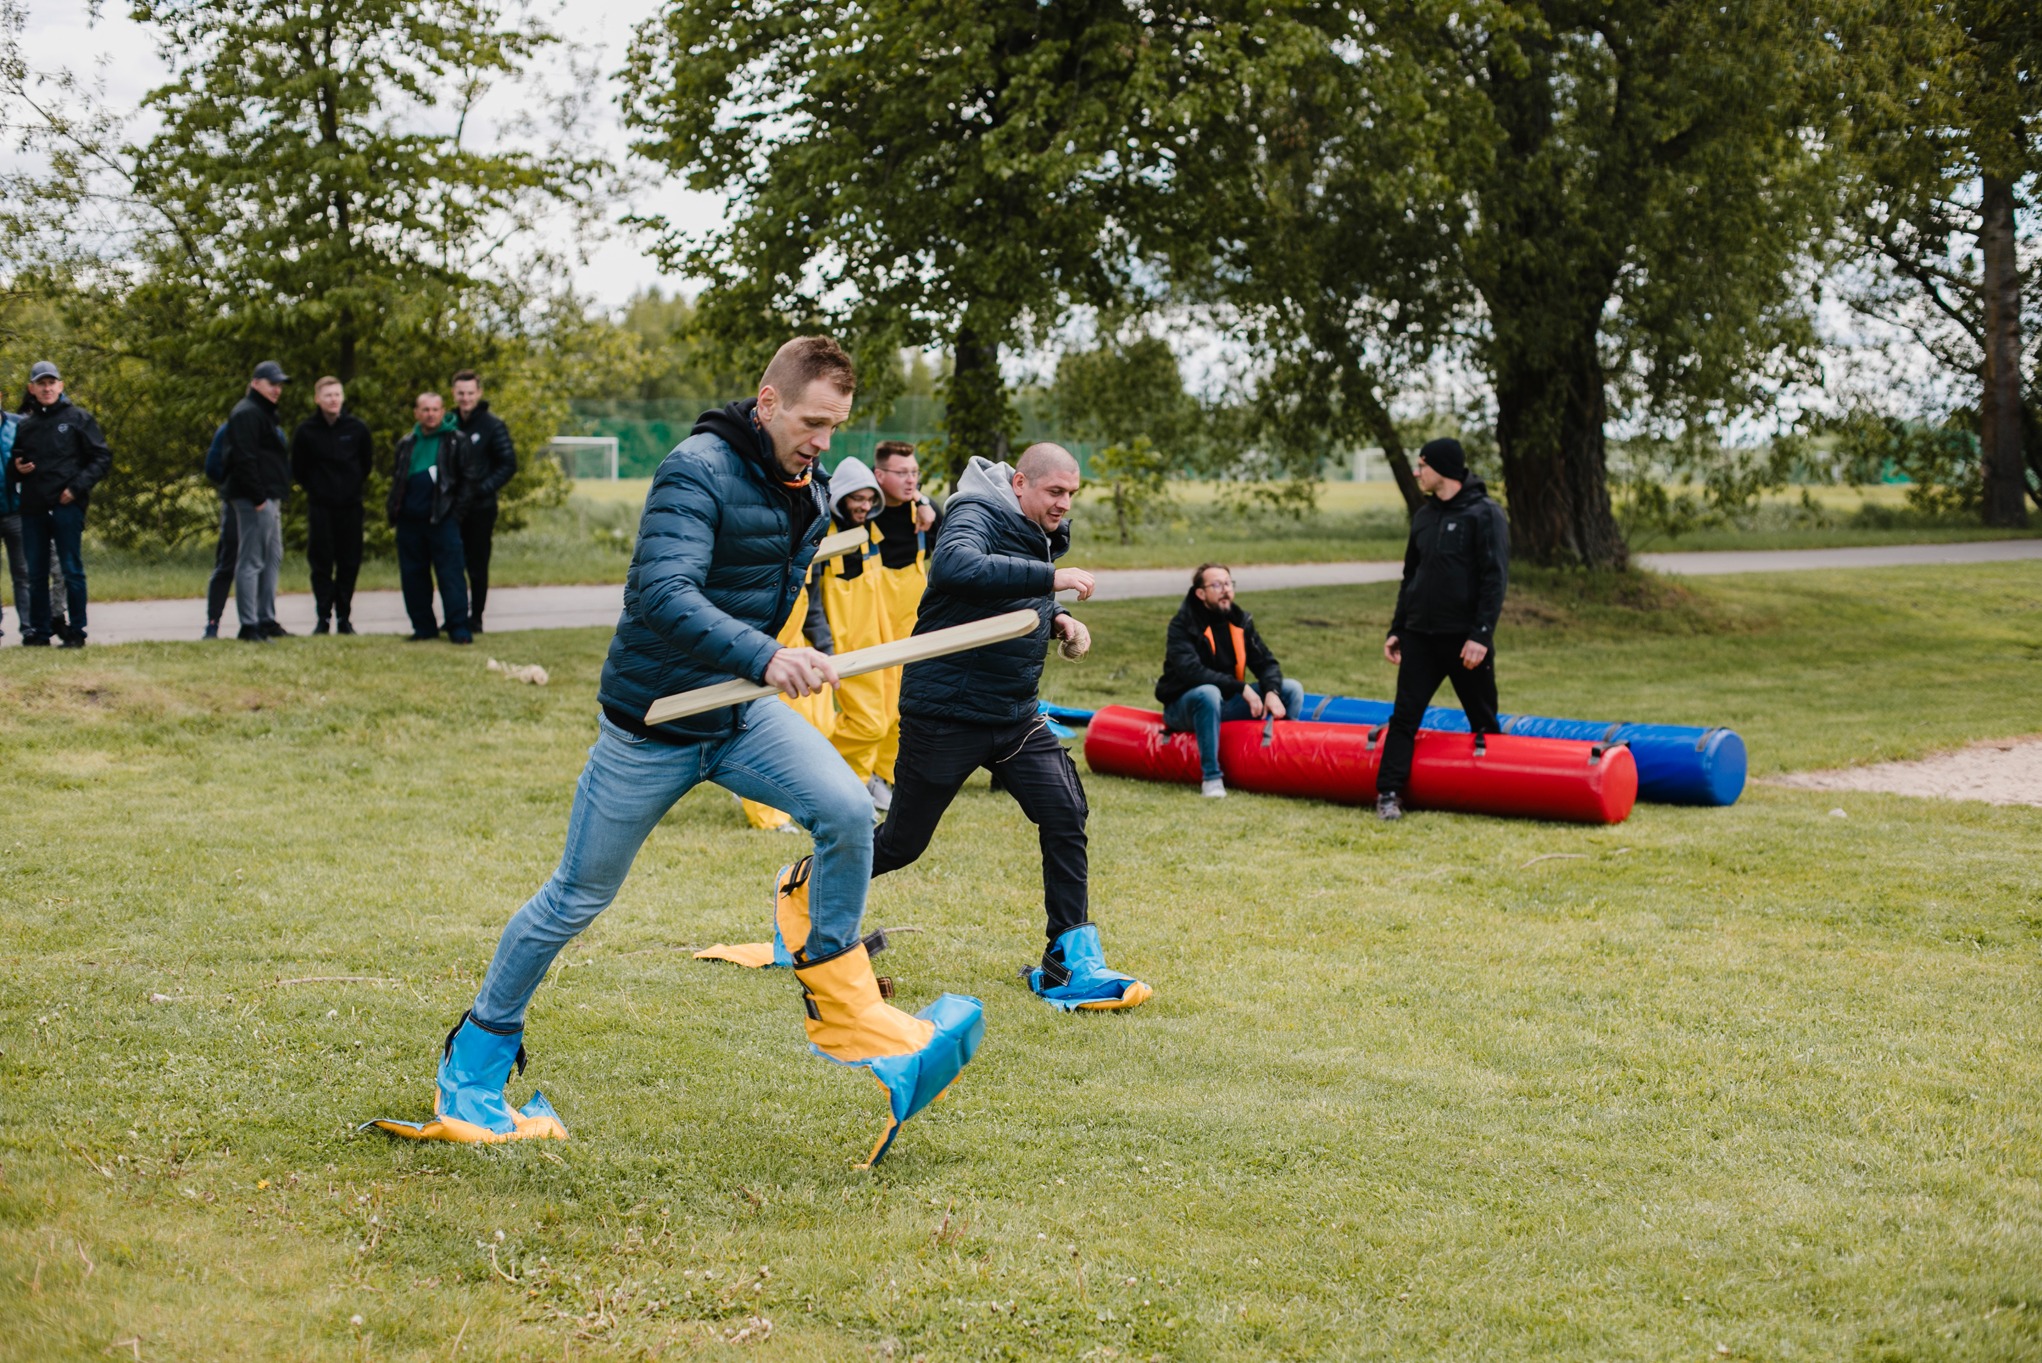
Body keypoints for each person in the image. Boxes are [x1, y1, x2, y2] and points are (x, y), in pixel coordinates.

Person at [370, 337, 982, 1167]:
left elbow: (834, 564)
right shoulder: (696, 469)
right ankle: (473, 1060)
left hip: (737, 714)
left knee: (845, 810)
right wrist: (766, 656)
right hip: (655, 723)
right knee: (575, 899)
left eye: (835, 426)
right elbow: (660, 593)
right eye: (810, 422)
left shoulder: (805, 486)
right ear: (767, 402)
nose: (822, 441)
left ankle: (841, 1003)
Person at [870, 443, 1153, 1012]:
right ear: (1020, 483)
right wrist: (1053, 579)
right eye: (1055, 492)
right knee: (902, 844)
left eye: (1071, 494)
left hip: (1013, 713)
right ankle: (804, 892)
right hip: (946, 712)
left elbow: (1007, 599)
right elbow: (956, 569)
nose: (1063, 504)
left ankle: (1065, 960)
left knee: (1065, 811)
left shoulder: (1037, 529)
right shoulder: (974, 511)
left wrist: (1061, 622)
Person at [1377, 437, 1510, 821]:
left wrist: (1480, 636)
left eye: (1422, 465)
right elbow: (1410, 577)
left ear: (1443, 469)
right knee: (1403, 718)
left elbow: (1494, 579)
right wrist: (1397, 627)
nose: (1417, 472)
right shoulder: (1424, 516)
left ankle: (1497, 792)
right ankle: (1388, 794)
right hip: (1420, 636)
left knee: (1483, 721)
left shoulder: (1486, 514)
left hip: (1465, 641)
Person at [1156, 563, 1307, 798]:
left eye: (1228, 583)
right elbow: (1191, 672)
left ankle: (1279, 765)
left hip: (1226, 703)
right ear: (1201, 593)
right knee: (1208, 693)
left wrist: (1272, 692)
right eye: (1216, 585)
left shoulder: (1240, 621)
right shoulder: (1182, 624)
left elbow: (1266, 663)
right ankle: (1212, 778)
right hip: (1183, 706)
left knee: (1291, 689)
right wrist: (1242, 688)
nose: (1225, 590)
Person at [10, 361, 111, 648]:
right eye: (41, 383)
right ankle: (40, 633)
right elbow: (16, 465)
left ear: (60, 385)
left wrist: (76, 488)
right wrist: (17, 468)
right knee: (36, 573)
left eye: (51, 382)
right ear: (32, 388)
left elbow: (102, 458)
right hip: (33, 509)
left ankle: (77, 631)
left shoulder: (79, 419)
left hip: (67, 506)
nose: (46, 388)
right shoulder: (26, 425)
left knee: (71, 569)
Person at [863, 441, 941, 811]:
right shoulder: (860, 509)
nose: (910, 481)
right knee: (871, 707)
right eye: (902, 473)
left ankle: (882, 776)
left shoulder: (927, 515)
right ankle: (857, 774)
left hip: (911, 623)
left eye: (915, 474)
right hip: (868, 622)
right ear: (879, 476)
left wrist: (924, 501)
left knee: (904, 705)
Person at [816, 456, 893, 806]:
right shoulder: (822, 535)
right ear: (839, 498)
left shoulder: (869, 532)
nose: (863, 506)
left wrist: (923, 503)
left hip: (875, 643)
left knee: (882, 719)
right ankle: (800, 766)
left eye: (868, 499)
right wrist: (824, 645)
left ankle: (854, 783)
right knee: (868, 725)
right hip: (838, 647)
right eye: (856, 499)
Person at [385, 391, 476, 644]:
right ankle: (423, 627)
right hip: (410, 521)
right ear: (416, 413)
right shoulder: (406, 443)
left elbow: (468, 480)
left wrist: (456, 514)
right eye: (425, 409)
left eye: (435, 409)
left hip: (443, 520)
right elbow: (398, 480)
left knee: (451, 575)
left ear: (443, 411)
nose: (430, 414)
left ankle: (458, 627)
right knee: (413, 575)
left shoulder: (456, 440)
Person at [291, 376, 374, 634]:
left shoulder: (357, 429)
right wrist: (319, 489)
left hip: (350, 506)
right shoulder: (306, 431)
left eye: (337, 394)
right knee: (321, 563)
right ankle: (323, 617)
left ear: (343, 397)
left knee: (349, 562)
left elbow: (366, 465)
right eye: (328, 395)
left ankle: (344, 617)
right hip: (320, 507)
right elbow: (298, 469)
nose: (333, 399)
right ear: (318, 399)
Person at [221, 361, 295, 642]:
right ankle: (249, 625)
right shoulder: (247, 413)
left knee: (272, 556)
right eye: (271, 383)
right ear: (255, 383)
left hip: (270, 495)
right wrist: (258, 497)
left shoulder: (264, 413)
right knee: (251, 560)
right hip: (255, 498)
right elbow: (244, 458)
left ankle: (266, 619)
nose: (277, 389)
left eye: (279, 384)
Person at [450, 370, 518, 633]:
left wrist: (481, 489)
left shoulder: (492, 425)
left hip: (480, 508)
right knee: (452, 564)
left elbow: (508, 464)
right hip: (452, 508)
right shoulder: (448, 422)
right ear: (454, 394)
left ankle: (475, 617)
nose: (465, 398)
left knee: (477, 565)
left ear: (478, 393)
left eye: (469, 393)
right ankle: (455, 615)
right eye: (460, 393)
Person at [201, 420, 237, 638]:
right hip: (236, 501)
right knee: (227, 562)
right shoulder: (230, 429)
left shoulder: (272, 428)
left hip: (265, 506)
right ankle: (213, 622)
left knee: (263, 565)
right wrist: (234, 483)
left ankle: (261, 621)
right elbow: (212, 467)